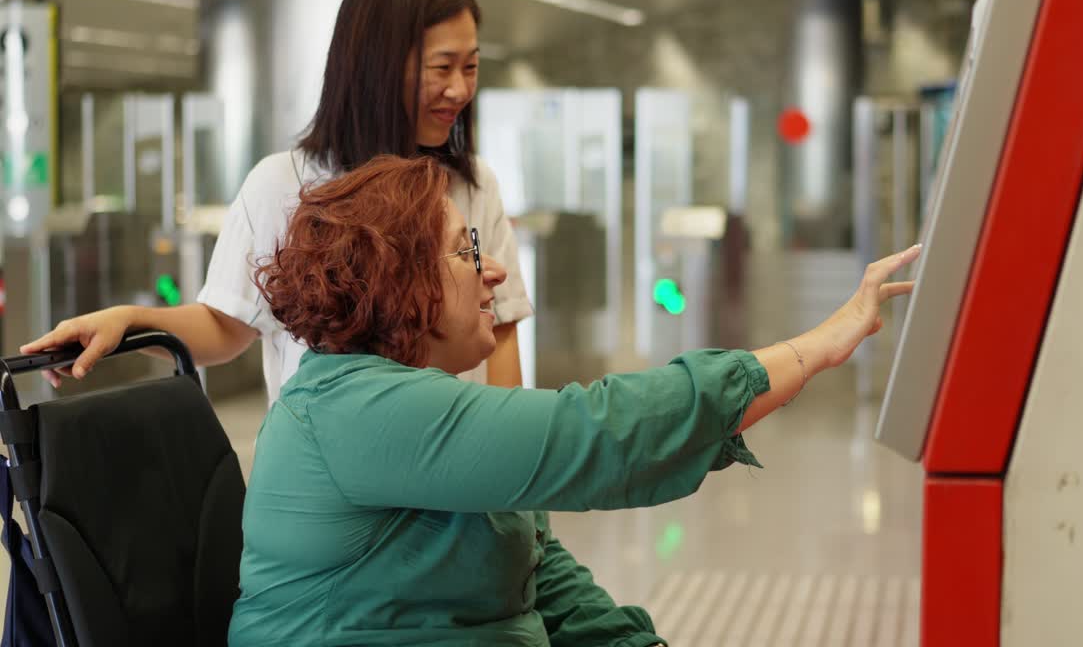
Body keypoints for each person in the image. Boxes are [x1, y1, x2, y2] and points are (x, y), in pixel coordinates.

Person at [224, 154, 919, 646]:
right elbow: (596, 436)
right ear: (401, 284)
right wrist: (817, 348)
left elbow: (537, 569)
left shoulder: (409, 402)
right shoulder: (357, 410)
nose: (491, 270)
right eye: (466, 251)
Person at [20, 0, 531, 396]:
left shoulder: (473, 185)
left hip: (456, 479)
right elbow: (225, 325)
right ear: (377, 65)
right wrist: (132, 320)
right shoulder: (284, 185)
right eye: (442, 68)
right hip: (331, 482)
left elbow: (501, 328)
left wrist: (513, 471)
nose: (460, 90)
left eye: (471, 66)